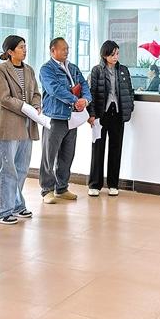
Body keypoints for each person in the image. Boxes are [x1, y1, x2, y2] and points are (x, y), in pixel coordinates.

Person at [0, 35, 41, 223]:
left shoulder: (29, 70)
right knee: (7, 169)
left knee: (21, 169)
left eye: (25, 46)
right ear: (10, 51)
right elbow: (3, 98)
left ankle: (16, 205)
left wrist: (35, 106)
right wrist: (25, 107)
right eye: (21, 47)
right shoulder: (2, 69)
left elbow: (36, 93)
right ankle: (1, 211)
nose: (25, 50)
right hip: (10, 126)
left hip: (28, 126)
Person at [39, 37, 91, 204]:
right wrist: (75, 100)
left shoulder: (73, 67)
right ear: (52, 50)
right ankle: (47, 190)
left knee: (67, 155)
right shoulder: (47, 69)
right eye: (63, 49)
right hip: (55, 117)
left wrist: (85, 100)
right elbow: (54, 89)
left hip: (72, 118)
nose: (66, 51)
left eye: (67, 48)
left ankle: (61, 188)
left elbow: (84, 85)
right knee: (49, 155)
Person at [87, 41, 135, 197]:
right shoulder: (96, 71)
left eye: (117, 54)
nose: (115, 57)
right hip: (101, 115)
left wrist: (130, 106)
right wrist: (92, 114)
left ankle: (113, 184)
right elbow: (91, 94)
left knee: (116, 149)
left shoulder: (123, 70)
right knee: (98, 149)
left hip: (118, 114)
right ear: (104, 55)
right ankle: (95, 185)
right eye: (112, 54)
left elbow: (129, 91)